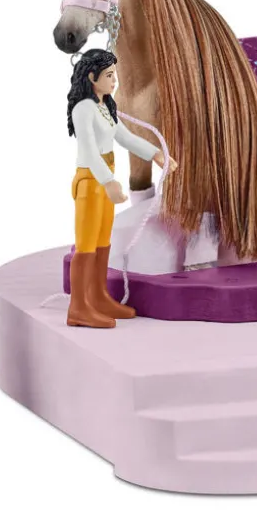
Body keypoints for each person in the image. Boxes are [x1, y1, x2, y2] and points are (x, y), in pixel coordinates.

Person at [67, 48, 175, 328]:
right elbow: (89, 151)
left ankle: (97, 296)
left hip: (105, 181)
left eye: (114, 74)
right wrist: (109, 181)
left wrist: (155, 153)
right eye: (109, 75)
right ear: (92, 77)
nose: (115, 80)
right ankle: (78, 307)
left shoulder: (106, 107)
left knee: (103, 241)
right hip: (91, 182)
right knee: (86, 245)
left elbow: (125, 137)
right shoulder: (83, 109)